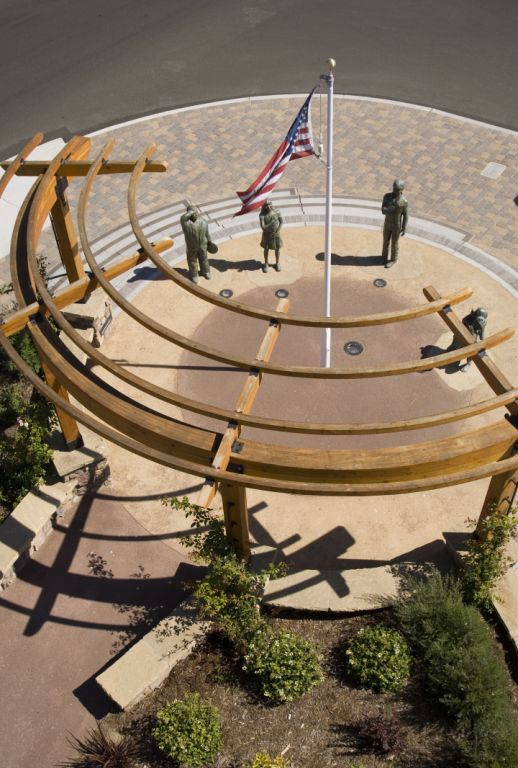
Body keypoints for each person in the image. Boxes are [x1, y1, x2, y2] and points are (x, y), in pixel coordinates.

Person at [180, 206, 212, 283]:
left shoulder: (203, 221)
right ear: (189, 214)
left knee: (204, 259)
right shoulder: (185, 222)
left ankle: (206, 271)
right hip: (191, 246)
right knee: (192, 261)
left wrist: (209, 242)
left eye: (196, 212)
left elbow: (207, 234)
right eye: (193, 213)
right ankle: (194, 274)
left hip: (202, 245)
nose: (196, 214)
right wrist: (191, 212)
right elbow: (183, 217)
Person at [381, 179, 409, 268]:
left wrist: (404, 227)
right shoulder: (387, 196)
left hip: (396, 225)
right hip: (387, 223)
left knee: (394, 243)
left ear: (402, 190)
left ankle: (393, 259)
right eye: (394, 188)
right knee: (385, 241)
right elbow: (383, 211)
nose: (395, 190)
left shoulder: (404, 201)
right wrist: (390, 208)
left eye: (397, 189)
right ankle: (383, 256)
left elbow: (405, 216)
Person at [259, 200, 283, 272]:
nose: (268, 207)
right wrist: (271, 222)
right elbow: (263, 227)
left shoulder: (277, 212)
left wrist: (278, 230)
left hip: (276, 234)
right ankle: (266, 263)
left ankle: (277, 263)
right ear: (264, 207)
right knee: (266, 249)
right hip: (267, 234)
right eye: (266, 205)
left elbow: (281, 222)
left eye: (269, 204)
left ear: (271, 204)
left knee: (277, 248)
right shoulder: (262, 215)